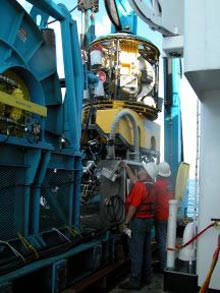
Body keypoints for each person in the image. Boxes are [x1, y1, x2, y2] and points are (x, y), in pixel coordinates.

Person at [119, 161, 158, 290]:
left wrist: (125, 223)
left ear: (146, 174)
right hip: (149, 222)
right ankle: (147, 278)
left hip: (139, 222)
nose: (139, 171)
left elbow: (132, 208)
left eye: (142, 170)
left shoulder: (139, 187)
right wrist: (127, 168)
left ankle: (134, 282)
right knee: (146, 251)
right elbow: (135, 180)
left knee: (136, 252)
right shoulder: (151, 186)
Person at [154, 161, 173, 272]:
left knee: (161, 240)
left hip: (160, 216)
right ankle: (164, 262)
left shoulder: (156, 185)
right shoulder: (169, 184)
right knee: (165, 239)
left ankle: (163, 266)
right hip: (169, 215)